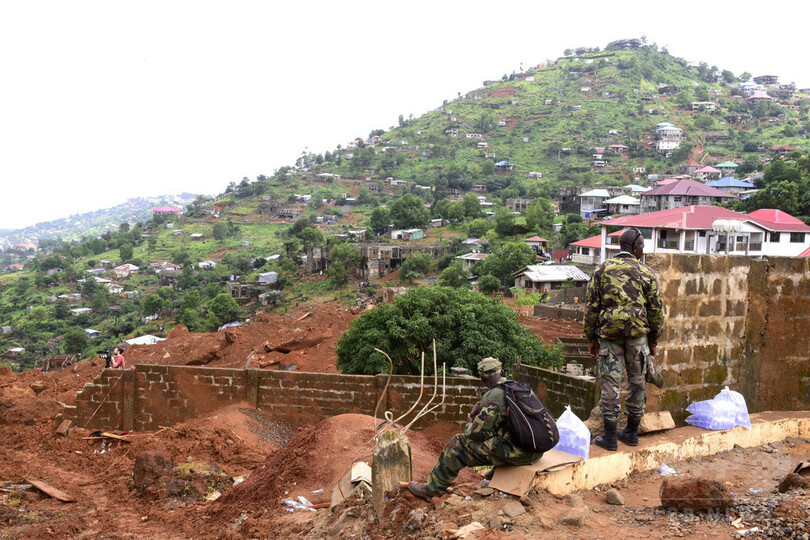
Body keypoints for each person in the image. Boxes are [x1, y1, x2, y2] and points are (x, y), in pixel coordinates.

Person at [408, 357, 545, 501]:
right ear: (502, 372)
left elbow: (477, 434)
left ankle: (432, 490)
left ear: (483, 379)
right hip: (536, 451)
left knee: (458, 443)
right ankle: (496, 471)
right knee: (502, 432)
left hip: (520, 454)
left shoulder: (493, 396)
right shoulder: (519, 388)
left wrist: (470, 422)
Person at [584, 228, 663, 451]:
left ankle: (609, 437)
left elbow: (591, 308)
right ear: (635, 247)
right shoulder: (646, 272)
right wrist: (653, 342)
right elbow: (656, 311)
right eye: (642, 247)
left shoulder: (601, 270)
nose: (643, 251)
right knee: (638, 382)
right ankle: (631, 433)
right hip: (638, 338)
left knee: (610, 383)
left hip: (609, 337)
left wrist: (591, 338)